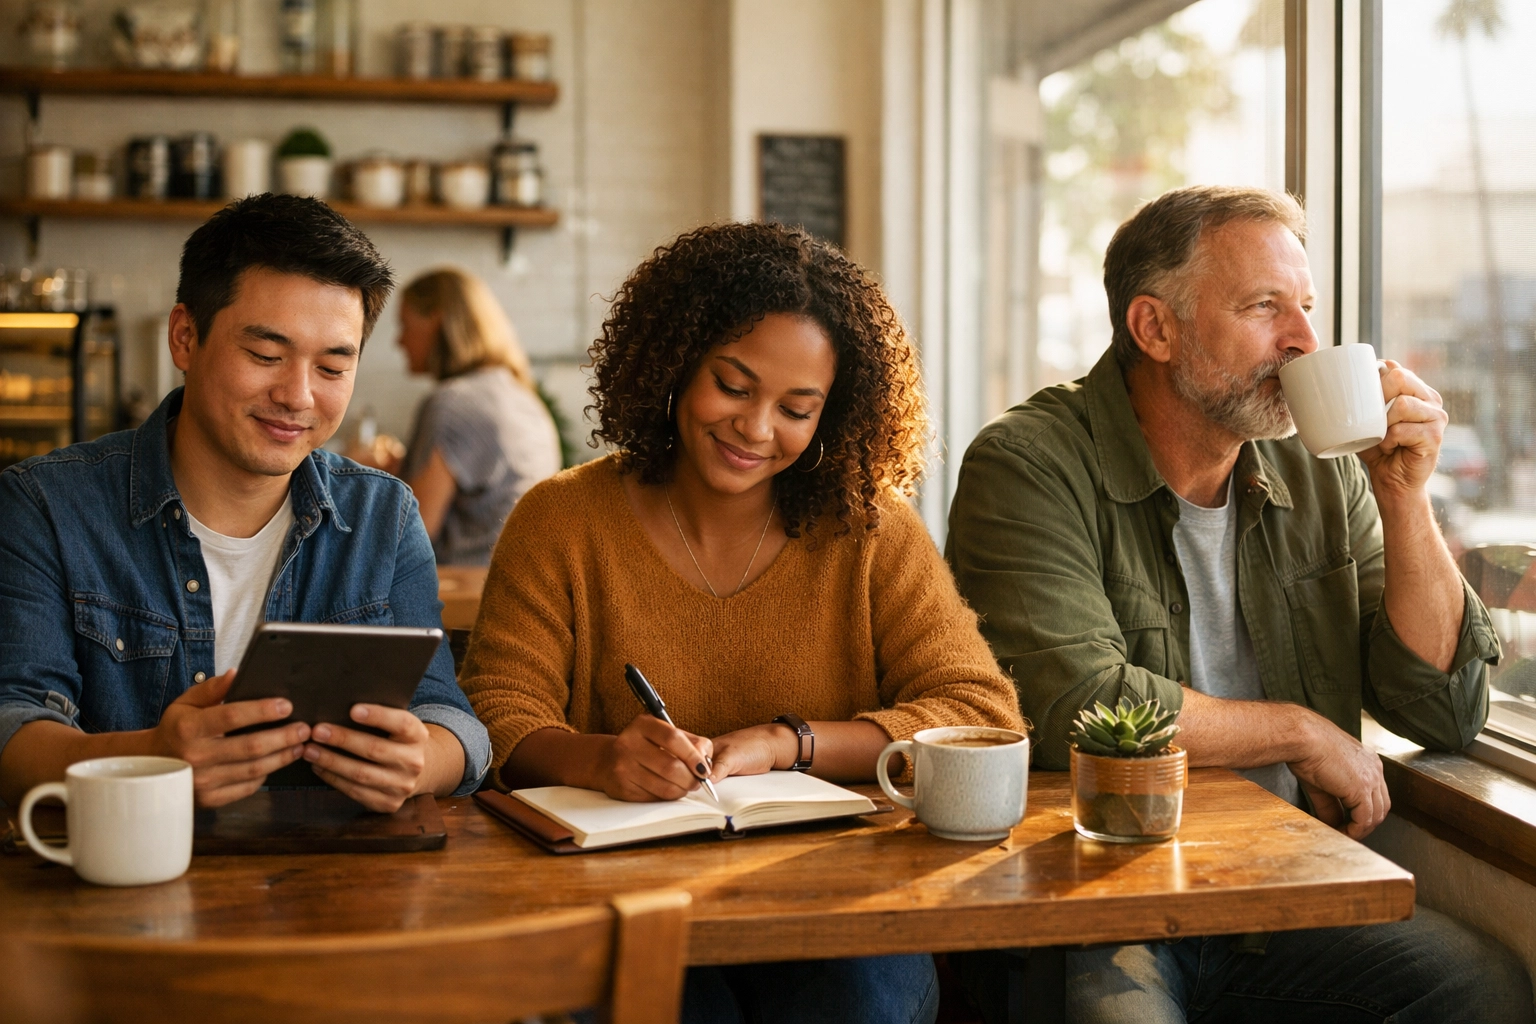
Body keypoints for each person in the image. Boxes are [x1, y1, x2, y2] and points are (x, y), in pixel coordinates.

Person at [946, 185, 1531, 1022]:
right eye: (1264, 308)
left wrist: (1404, 496)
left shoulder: (1325, 466)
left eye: (1307, 308)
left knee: (1479, 989)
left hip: (1278, 891)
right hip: (1105, 899)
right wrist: (1300, 731)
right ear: (1154, 329)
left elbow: (1442, 707)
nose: (1303, 341)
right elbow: (1076, 703)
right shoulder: (1029, 464)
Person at [458, 221, 1024, 1024]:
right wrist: (599, 761)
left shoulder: (871, 531)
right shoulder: (563, 520)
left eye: (797, 408)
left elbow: (979, 713)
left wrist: (788, 743)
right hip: (619, 899)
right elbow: (494, 717)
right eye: (732, 385)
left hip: (834, 908)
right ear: (675, 362)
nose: (757, 430)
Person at [0, 194, 489, 812]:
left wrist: (419, 763)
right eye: (265, 356)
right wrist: (152, 759)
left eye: (334, 368)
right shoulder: (45, 506)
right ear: (185, 337)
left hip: (333, 886)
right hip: (117, 879)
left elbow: (450, 718)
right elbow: (12, 725)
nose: (298, 396)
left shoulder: (381, 518)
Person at [351, 267, 562, 566]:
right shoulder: (522, 397)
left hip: (462, 594)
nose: (399, 342)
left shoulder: (451, 404)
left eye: (405, 326)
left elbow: (412, 536)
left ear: (436, 321)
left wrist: (360, 475)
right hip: (518, 580)